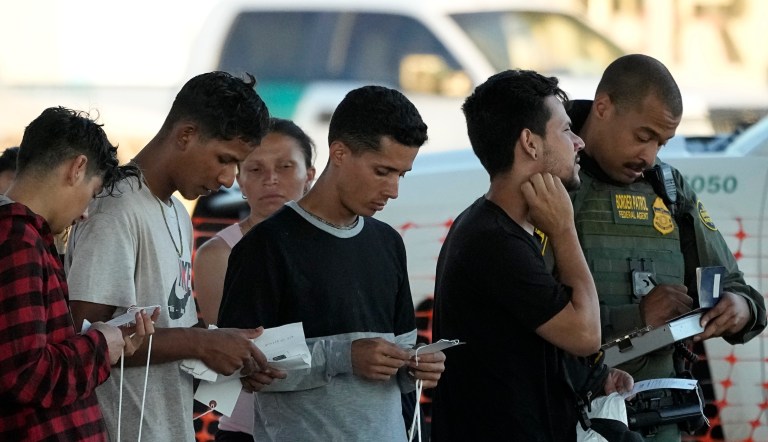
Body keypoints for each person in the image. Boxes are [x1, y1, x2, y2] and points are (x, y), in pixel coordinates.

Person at [64, 72, 285, 442]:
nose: (229, 179)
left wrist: (228, 355)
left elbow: (167, 329)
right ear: (186, 135)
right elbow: (84, 340)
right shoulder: (116, 208)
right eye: (224, 159)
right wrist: (201, 343)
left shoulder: (178, 213)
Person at [218, 85, 446, 441]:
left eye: (401, 174)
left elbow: (401, 356)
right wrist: (343, 357)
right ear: (339, 153)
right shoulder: (266, 245)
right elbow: (238, 365)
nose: (393, 189)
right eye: (382, 171)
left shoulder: (387, 243)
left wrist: (417, 364)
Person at [566, 54, 767, 440]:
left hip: (663, 418)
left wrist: (738, 308)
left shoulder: (669, 189)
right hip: (582, 414)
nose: (650, 156)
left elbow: (739, 289)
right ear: (603, 107)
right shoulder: (556, 184)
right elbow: (533, 316)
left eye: (662, 142)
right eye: (643, 137)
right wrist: (636, 316)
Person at [430, 70, 634, 441]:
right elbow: (586, 334)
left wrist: (595, 378)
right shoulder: (493, 241)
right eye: (566, 129)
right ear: (530, 142)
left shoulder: (497, 229)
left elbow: (529, 342)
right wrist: (564, 229)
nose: (579, 143)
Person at [0, 107, 155, 441]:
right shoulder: (17, 240)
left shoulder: (29, 238)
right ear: (77, 168)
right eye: (92, 193)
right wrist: (101, 343)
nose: (85, 213)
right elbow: (26, 375)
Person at [193, 117, 316, 441]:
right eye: (256, 169)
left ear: (310, 176)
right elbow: (232, 350)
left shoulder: (338, 243)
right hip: (249, 428)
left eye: (286, 166)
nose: (271, 179)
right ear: (241, 181)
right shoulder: (218, 254)